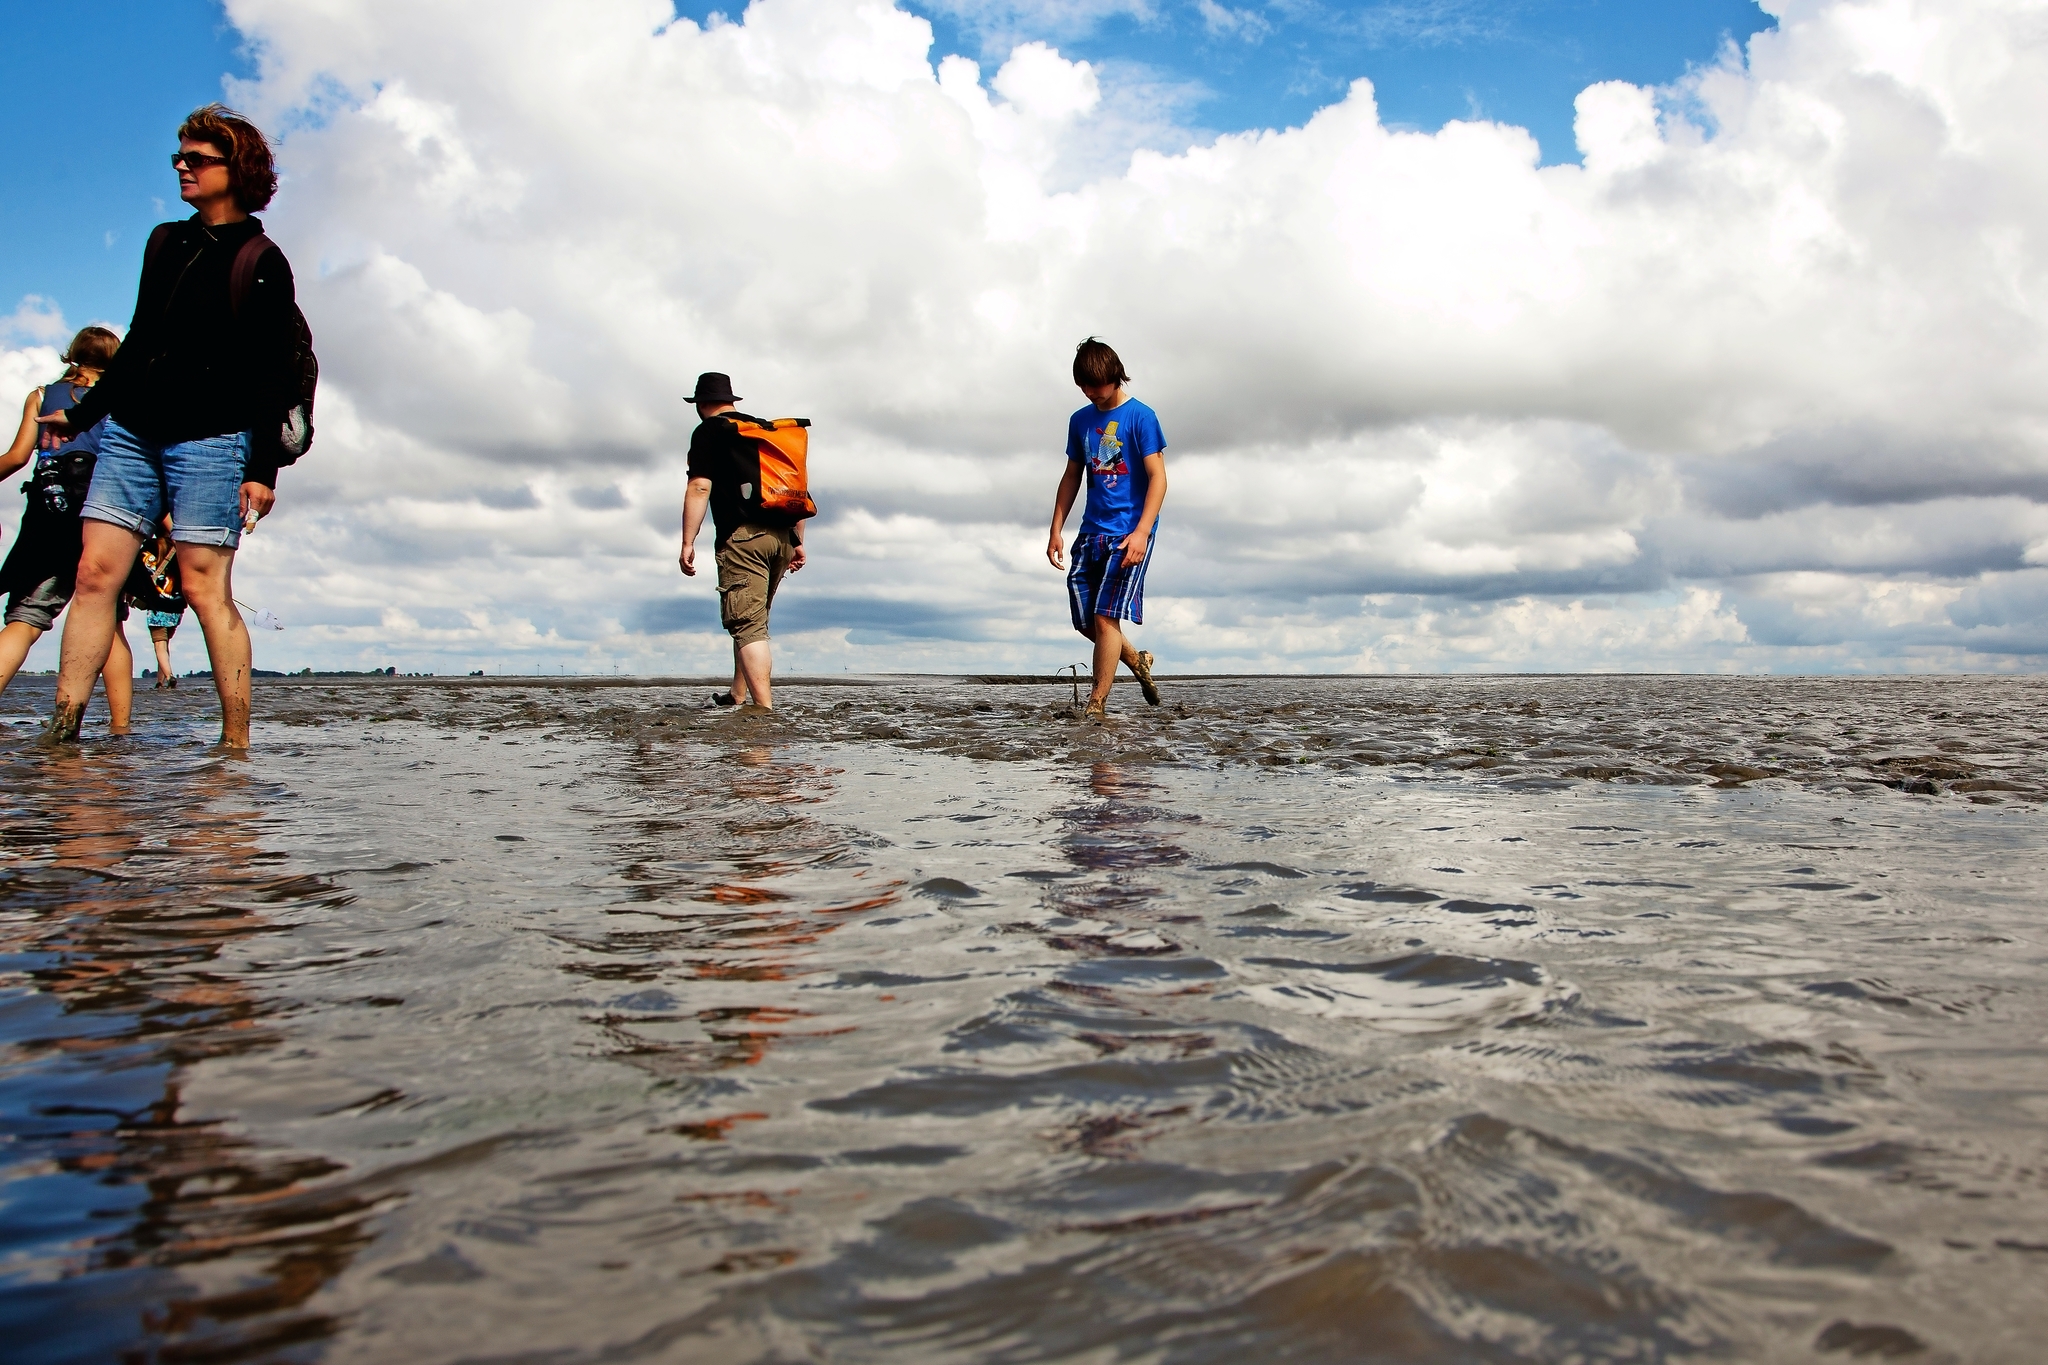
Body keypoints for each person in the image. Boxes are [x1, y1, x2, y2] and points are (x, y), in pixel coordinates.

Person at [35, 104, 300, 749]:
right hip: (130, 433)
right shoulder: (164, 240)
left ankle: (235, 740)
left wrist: (263, 469)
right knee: (94, 575)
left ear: (234, 171)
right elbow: (137, 343)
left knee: (204, 586)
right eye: (178, 157)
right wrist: (80, 416)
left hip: (212, 440)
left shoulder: (262, 259)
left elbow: (274, 374)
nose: (181, 167)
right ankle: (63, 728)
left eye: (197, 159)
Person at [0, 327, 135, 731]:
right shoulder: (121, 397)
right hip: (102, 507)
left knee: (25, 617)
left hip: (49, 510)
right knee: (106, 621)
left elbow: (17, 457)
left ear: (72, 355)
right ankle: (120, 728)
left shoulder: (41, 395)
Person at [1046, 338, 1167, 718]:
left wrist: (1142, 533)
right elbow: (1071, 476)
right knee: (1086, 621)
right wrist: (1055, 529)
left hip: (1129, 532)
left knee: (1105, 617)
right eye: (1083, 386)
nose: (1090, 393)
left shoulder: (1141, 417)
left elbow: (1158, 478)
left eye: (1096, 385)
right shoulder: (1080, 420)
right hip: (1091, 530)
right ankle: (1137, 659)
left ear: (1115, 377)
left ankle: (1096, 705)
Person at [678, 372, 806, 711]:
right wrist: (797, 541)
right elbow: (795, 488)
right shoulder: (763, 431)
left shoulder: (709, 431)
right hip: (781, 537)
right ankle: (738, 695)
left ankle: (764, 711)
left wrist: (687, 541)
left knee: (747, 625)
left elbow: (699, 487)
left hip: (744, 537)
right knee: (753, 621)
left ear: (701, 404)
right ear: (731, 401)